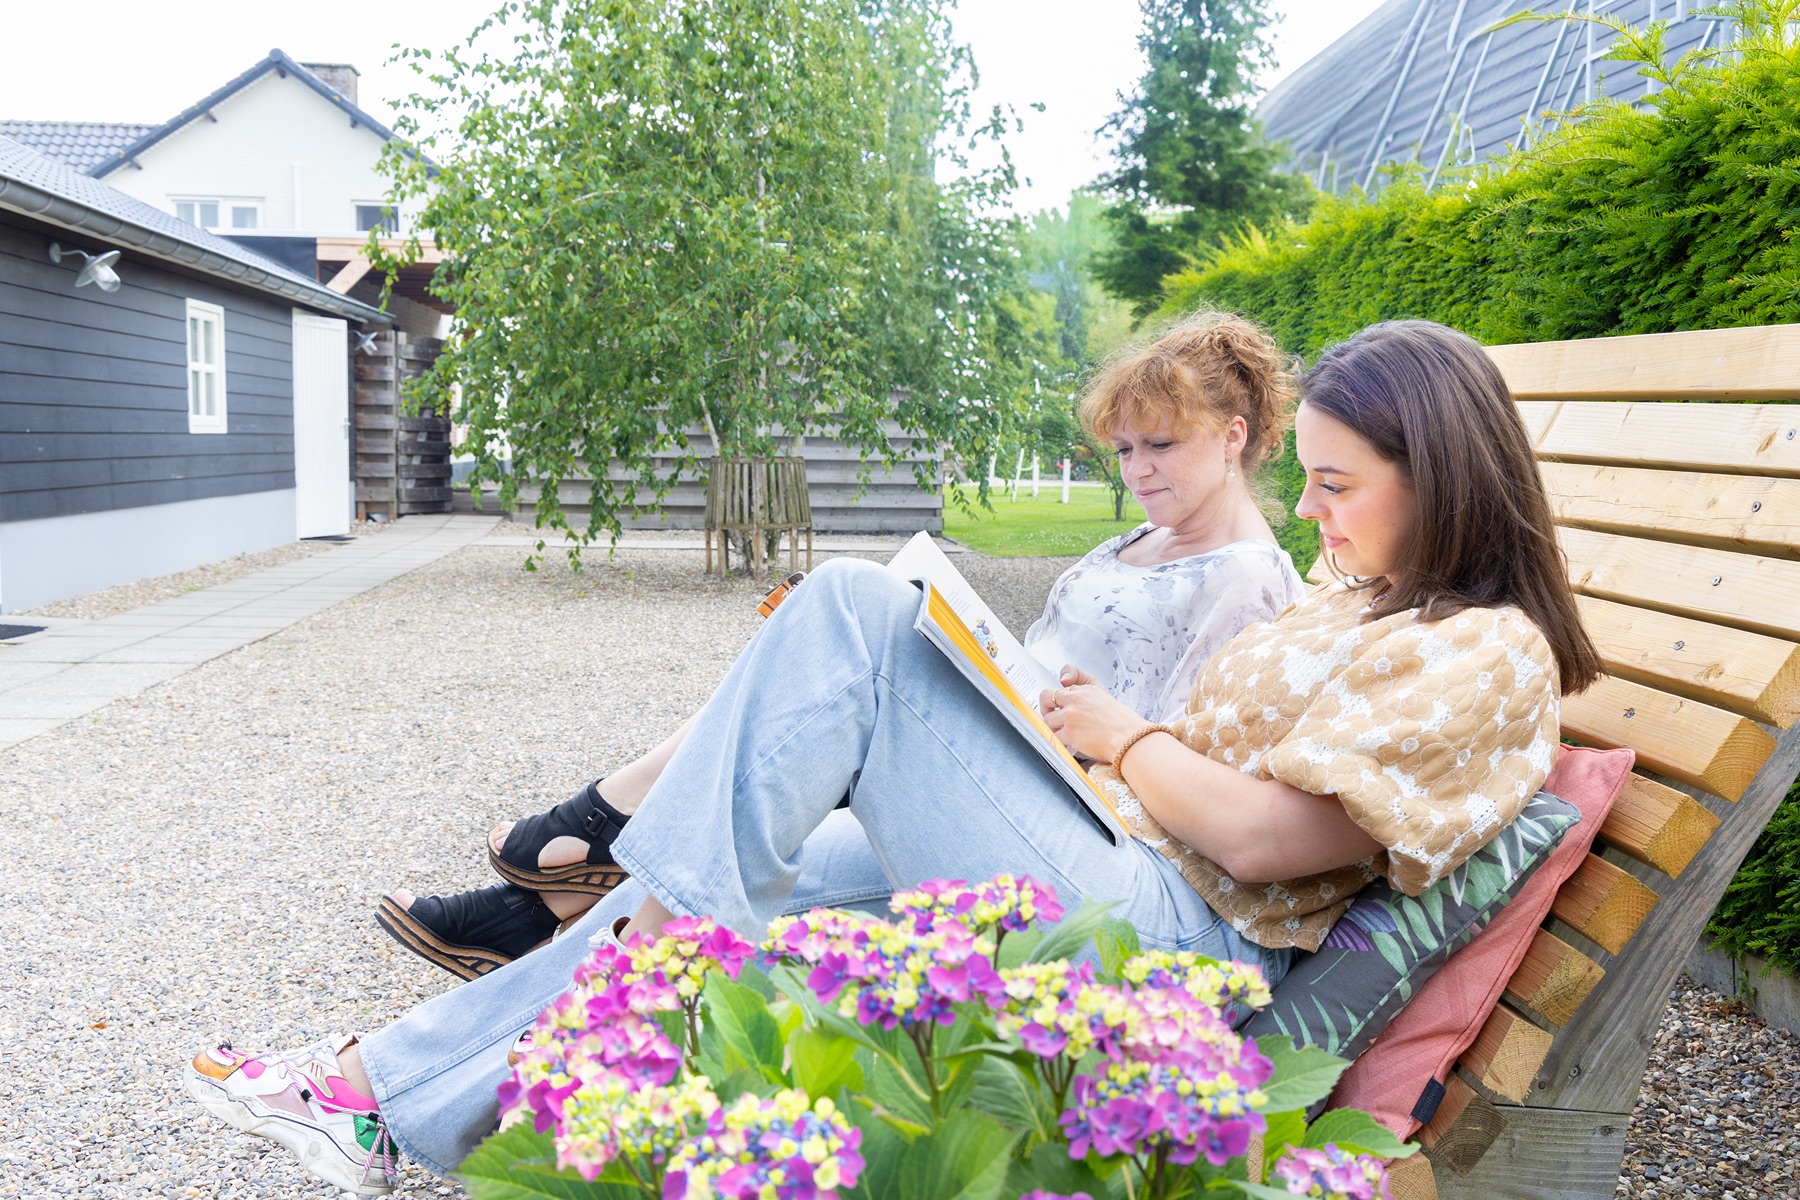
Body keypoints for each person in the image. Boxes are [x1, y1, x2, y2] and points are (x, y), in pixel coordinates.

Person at [185, 318, 1603, 1198]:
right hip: (1117, 856)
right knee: (771, 839)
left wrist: (1126, 735)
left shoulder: (1488, 653)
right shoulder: (1375, 600)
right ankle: (382, 1098)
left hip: (1176, 947)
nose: (1313, 512)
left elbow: (1267, 841)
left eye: (1338, 485)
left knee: (855, 617)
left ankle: (631, 926)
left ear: (1444, 473)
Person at [376, 312, 1306, 980]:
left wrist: (1097, 732)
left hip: (1069, 813)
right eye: (1125, 449)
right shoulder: (1139, 541)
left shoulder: (1247, 580)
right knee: (778, 705)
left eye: (1160, 447)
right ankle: (535, 909)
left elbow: (1185, 757)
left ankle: (585, 842)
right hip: (1020, 748)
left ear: (1233, 438)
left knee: (829, 643)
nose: (1138, 470)